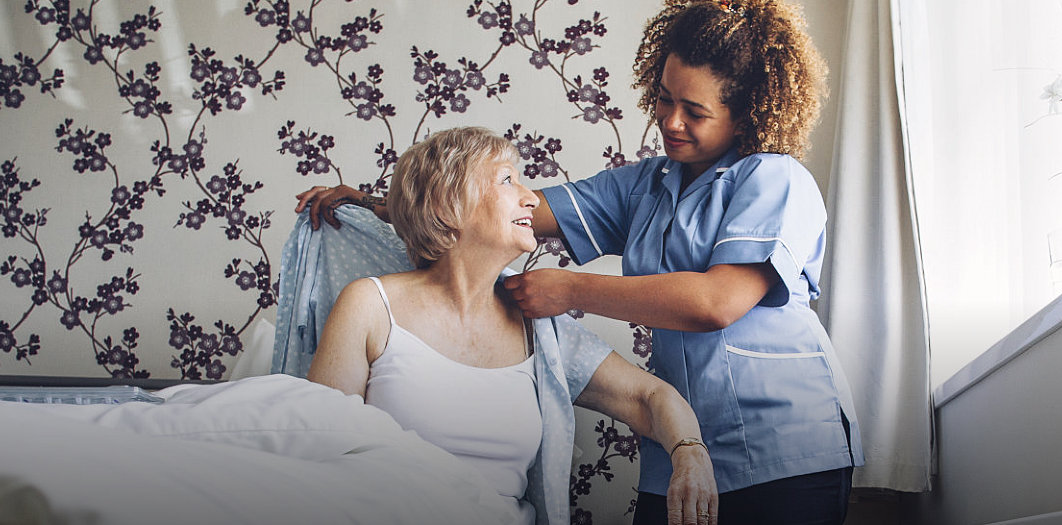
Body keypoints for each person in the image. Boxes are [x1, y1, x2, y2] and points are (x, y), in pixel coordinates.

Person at [295, 1, 861, 523]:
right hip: (677, 450)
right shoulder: (643, 186)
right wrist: (379, 204)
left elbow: (716, 303)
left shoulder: (774, 179)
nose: (670, 121)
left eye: (695, 111)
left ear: (745, 115)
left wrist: (571, 290)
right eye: (664, 99)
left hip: (783, 446)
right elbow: (499, 210)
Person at [305, 126, 720, 525]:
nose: (532, 200)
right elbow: (319, 451)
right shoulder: (369, 304)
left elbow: (650, 397)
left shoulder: (539, 330)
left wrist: (689, 453)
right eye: (508, 181)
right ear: (449, 204)